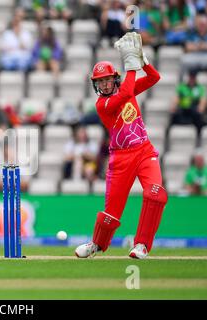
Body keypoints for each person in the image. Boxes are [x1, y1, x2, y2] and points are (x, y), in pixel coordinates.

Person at [75, 32, 167, 260]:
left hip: (144, 152)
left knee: (155, 194)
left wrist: (142, 60)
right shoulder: (103, 104)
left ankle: (142, 246)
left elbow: (155, 78)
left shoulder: (126, 88)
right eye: (100, 82)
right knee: (111, 214)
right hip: (120, 159)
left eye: (107, 80)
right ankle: (97, 244)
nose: (104, 85)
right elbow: (126, 91)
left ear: (114, 79)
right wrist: (131, 64)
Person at [167, 69, 207, 145]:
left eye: (193, 77)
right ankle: (169, 135)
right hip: (184, 108)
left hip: (194, 109)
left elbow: (203, 99)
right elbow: (177, 98)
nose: (192, 79)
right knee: (173, 116)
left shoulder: (199, 88)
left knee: (199, 117)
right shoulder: (182, 87)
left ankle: (198, 137)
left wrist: (201, 107)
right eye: (191, 77)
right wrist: (173, 106)